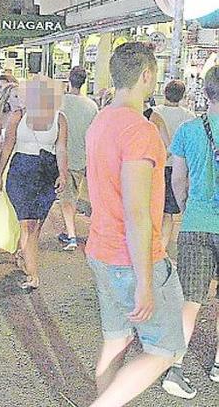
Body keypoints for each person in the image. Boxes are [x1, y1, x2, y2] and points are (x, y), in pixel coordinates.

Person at [85, 42, 186, 407]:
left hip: (101, 249)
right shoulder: (140, 131)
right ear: (147, 76)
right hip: (131, 258)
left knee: (116, 338)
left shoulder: (101, 122)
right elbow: (138, 212)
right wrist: (146, 280)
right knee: (165, 349)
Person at [160, 67, 219, 398]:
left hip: (196, 224)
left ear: (206, 94)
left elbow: (178, 181)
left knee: (190, 302)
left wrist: (187, 209)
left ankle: (175, 369)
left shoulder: (188, 130)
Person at [0, 76, 69, 291]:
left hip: (46, 173)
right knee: (27, 224)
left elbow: (62, 149)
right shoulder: (18, 117)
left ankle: (25, 254)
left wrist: (62, 173)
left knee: (36, 226)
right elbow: (8, 146)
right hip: (21, 173)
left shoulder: (59, 119)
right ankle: (33, 274)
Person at [57, 66, 99, 251]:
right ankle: (69, 231)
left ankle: (72, 236)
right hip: (82, 158)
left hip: (60, 158)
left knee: (67, 198)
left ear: (69, 80)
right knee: (72, 195)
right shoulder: (91, 106)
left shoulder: (60, 102)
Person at [152, 80, 196, 250]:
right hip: (177, 168)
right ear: (183, 96)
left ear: (164, 92)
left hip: (155, 166)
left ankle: (150, 243)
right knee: (168, 212)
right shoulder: (190, 117)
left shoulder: (154, 113)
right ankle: (161, 247)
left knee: (153, 207)